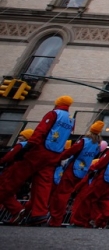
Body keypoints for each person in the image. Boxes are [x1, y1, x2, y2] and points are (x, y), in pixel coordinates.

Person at [0, 95, 75, 225]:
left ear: (57, 103)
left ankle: (17, 209)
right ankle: (39, 214)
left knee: (11, 179)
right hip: (55, 154)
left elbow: (41, 131)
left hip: (39, 151)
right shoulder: (71, 121)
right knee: (43, 185)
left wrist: (29, 146)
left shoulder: (53, 114)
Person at [70, 132, 109, 228]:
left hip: (103, 178)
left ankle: (81, 220)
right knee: (104, 199)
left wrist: (91, 168)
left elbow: (102, 162)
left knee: (88, 198)